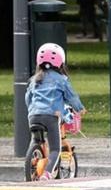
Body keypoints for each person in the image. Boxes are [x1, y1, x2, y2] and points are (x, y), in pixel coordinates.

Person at [25, 42, 86, 181]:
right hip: (51, 117)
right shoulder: (61, 80)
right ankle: (47, 174)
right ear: (60, 62)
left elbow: (28, 98)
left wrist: (31, 110)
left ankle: (31, 161)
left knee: (36, 140)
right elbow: (72, 97)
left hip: (33, 116)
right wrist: (80, 109)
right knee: (55, 150)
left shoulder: (34, 80)